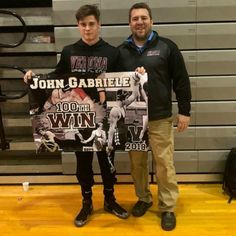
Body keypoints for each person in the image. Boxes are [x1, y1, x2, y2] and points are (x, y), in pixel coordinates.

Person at [23, 4, 129, 227]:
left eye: (91, 24)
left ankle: (110, 199)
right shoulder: (69, 51)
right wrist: (35, 77)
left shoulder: (112, 52)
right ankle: (87, 202)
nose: (88, 29)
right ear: (78, 26)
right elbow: (55, 77)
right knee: (83, 163)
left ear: (99, 25)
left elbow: (123, 81)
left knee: (107, 161)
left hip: (103, 117)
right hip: (78, 116)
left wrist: (138, 76)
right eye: (83, 25)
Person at [117, 2, 191, 231]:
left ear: (152, 21)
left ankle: (167, 207)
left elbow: (181, 80)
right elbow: (114, 84)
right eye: (135, 18)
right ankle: (143, 198)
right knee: (137, 163)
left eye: (143, 18)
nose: (139, 22)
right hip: (133, 119)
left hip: (160, 117)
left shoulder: (168, 47)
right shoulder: (121, 52)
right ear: (129, 23)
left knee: (164, 164)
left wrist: (185, 111)